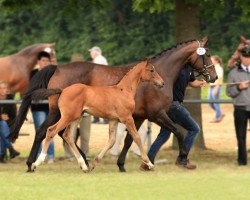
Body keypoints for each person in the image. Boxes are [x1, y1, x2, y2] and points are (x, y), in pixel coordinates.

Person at [142, 64, 207, 170]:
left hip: (174, 105)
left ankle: (147, 162)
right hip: (173, 105)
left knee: (164, 134)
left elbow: (192, 82)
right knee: (194, 129)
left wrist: (200, 83)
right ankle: (182, 159)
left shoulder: (189, 68)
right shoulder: (176, 66)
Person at [63, 53, 91, 161]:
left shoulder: (89, 77)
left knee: (85, 135)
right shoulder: (67, 78)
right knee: (70, 134)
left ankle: (86, 155)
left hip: (87, 109)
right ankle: (70, 155)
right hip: (73, 110)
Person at [226, 45, 250, 166]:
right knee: (241, 137)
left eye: (249, 57)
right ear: (241, 57)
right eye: (245, 56)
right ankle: (242, 161)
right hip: (240, 109)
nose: (247, 59)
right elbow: (229, 92)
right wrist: (239, 87)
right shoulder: (233, 73)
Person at [30, 51, 55, 164]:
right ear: (38, 62)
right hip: (37, 107)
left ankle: (50, 155)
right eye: (43, 61)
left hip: (50, 107)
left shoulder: (53, 73)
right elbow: (33, 89)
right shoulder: (33, 74)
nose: (45, 63)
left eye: (47, 61)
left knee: (50, 131)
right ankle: (39, 155)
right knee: (39, 131)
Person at [0, 80, 20, 163]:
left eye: (4, 88)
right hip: (3, 126)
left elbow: (14, 116)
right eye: (0, 88)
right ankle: (10, 149)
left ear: (7, 89)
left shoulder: (10, 100)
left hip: (8, 125)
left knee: (3, 127)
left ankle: (2, 155)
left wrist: (6, 120)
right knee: (2, 125)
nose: (2, 90)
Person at [88, 46, 109, 124]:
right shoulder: (99, 59)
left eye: (91, 52)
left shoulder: (99, 59)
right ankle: (97, 118)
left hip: (100, 83)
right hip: (101, 82)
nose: (90, 53)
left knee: (100, 101)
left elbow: (96, 71)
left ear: (96, 52)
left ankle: (105, 119)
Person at [208, 55, 225, 123]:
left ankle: (217, 117)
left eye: (212, 60)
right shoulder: (213, 68)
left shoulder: (219, 68)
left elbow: (220, 79)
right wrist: (210, 87)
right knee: (209, 102)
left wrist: (216, 88)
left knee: (215, 103)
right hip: (212, 86)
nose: (210, 61)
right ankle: (220, 114)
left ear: (216, 61)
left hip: (216, 87)